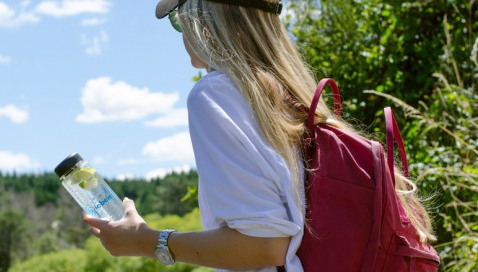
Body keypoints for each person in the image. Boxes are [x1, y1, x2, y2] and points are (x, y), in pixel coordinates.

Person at [83, 1, 436, 271]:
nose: (181, 30)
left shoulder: (215, 94)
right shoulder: (291, 97)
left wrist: (150, 242)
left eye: (178, 16)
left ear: (204, 14)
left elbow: (266, 243)